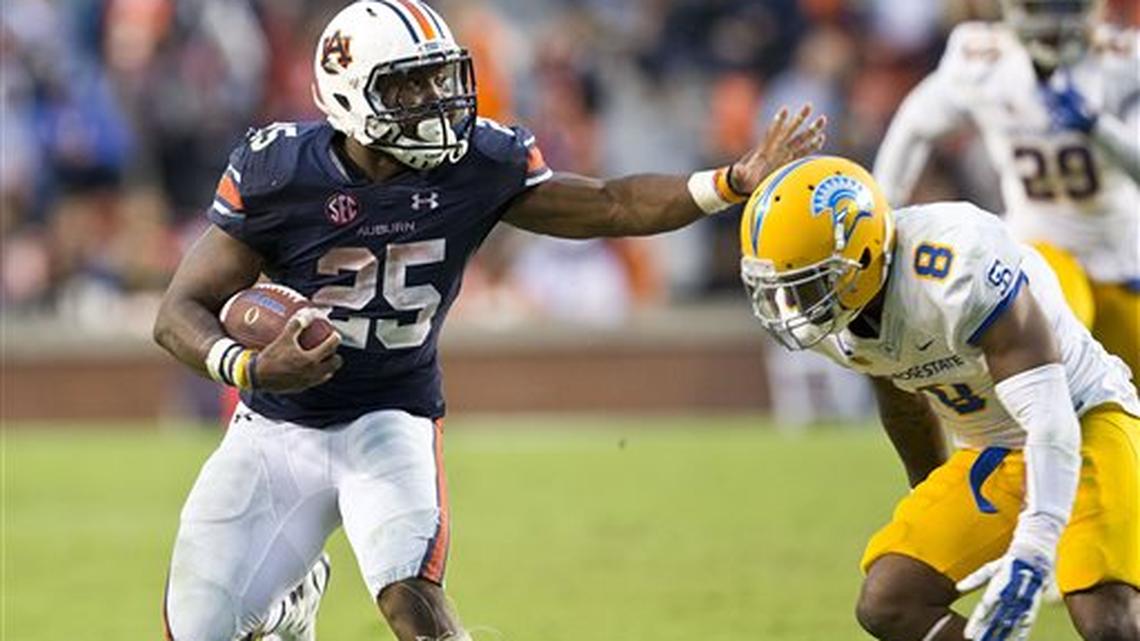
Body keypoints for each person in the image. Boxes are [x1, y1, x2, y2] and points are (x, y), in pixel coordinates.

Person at [151, 2, 826, 640]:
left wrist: (732, 180)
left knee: (410, 597)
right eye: (408, 87)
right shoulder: (281, 170)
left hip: (389, 416)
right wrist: (250, 366)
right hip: (275, 427)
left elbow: (613, 205)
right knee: (197, 627)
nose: (435, 101)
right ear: (351, 96)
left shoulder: (475, 163)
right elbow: (179, 310)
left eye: (437, 79)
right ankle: (292, 603)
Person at [737, 155, 1139, 641]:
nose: (794, 307)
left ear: (861, 256)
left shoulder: (955, 264)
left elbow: (1050, 415)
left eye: (811, 283)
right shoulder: (839, 319)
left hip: (1082, 419)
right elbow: (902, 402)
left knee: (1106, 620)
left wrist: (1034, 551)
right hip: (994, 453)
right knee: (891, 601)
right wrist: (937, 506)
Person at [873, 0, 1140, 385]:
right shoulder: (985, 62)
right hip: (1042, 242)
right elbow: (915, 123)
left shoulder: (1121, 63)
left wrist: (1098, 128)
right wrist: (883, 213)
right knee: (1054, 352)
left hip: (1120, 251)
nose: (1050, 22)